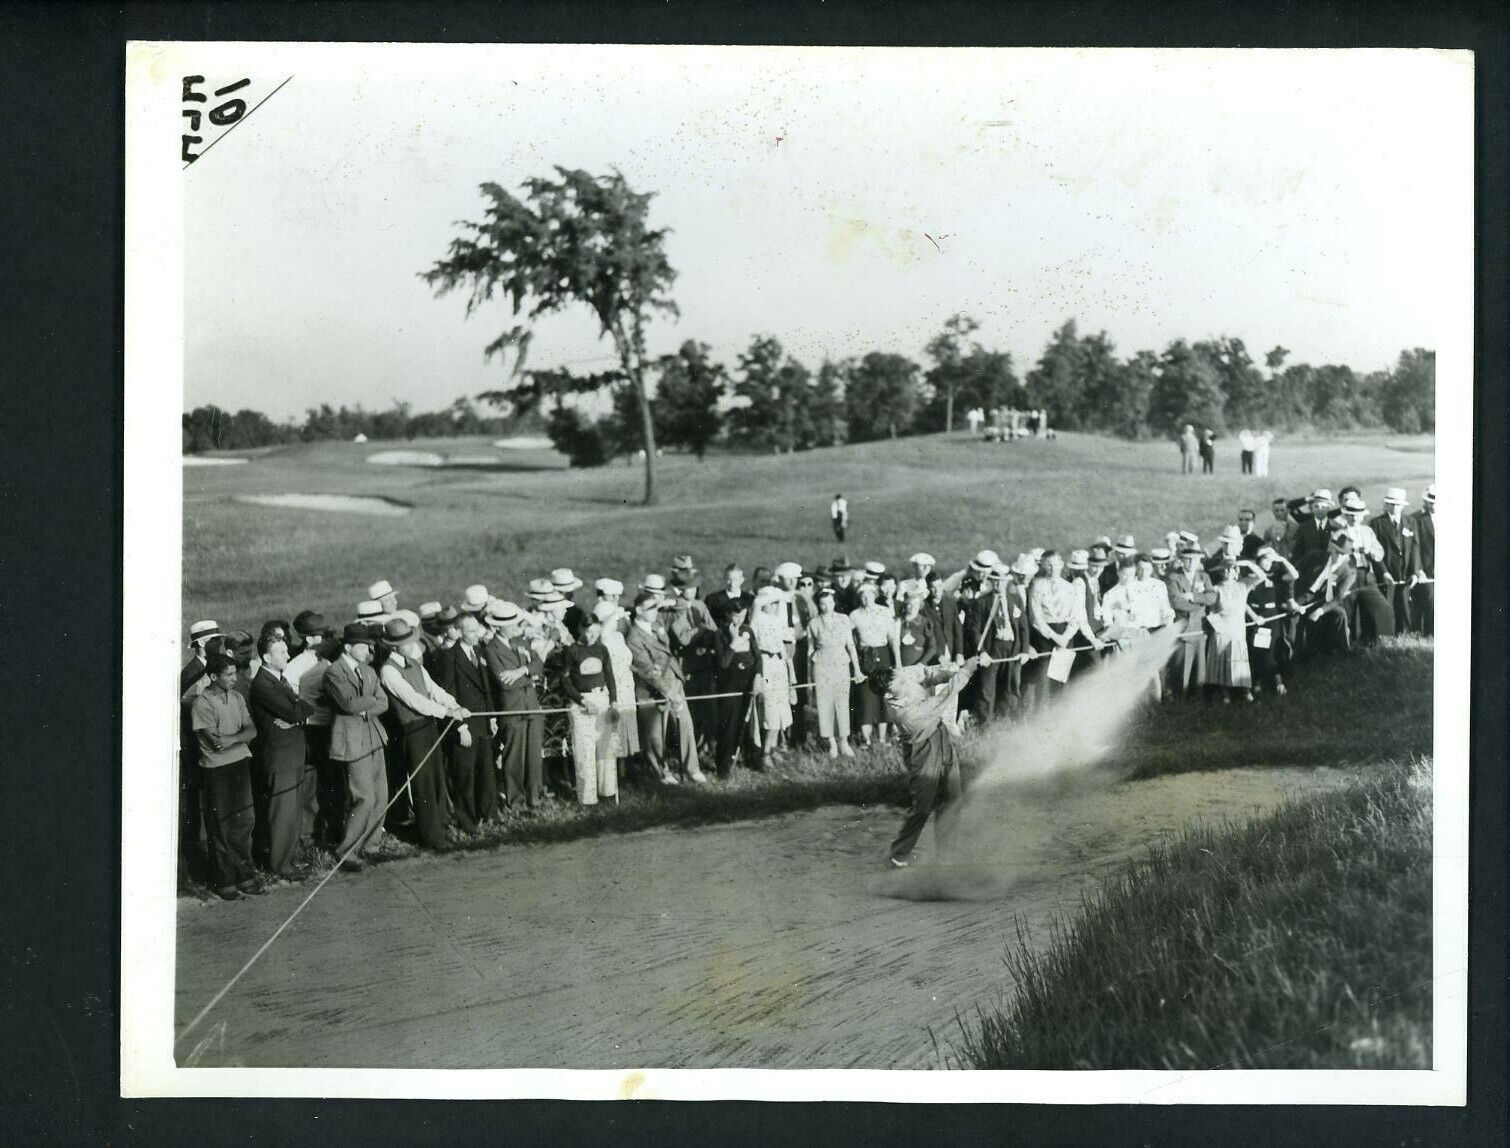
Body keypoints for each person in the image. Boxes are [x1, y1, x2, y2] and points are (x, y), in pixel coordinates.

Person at [878, 653, 990, 869]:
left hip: (941, 737)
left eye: (898, 675)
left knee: (953, 797)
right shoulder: (905, 714)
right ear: (889, 693)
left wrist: (952, 671)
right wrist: (967, 671)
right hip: (922, 749)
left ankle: (946, 859)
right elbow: (943, 698)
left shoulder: (899, 675)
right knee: (923, 806)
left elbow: (928, 674)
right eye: (898, 682)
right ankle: (897, 855)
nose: (903, 679)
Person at [378, 617, 468, 849]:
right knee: (423, 782)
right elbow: (414, 700)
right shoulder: (388, 670)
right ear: (395, 646)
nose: (413, 645)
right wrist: (447, 712)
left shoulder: (415, 664)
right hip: (412, 731)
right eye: (407, 642)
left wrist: (454, 705)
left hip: (429, 726)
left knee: (436, 775)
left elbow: (433, 690)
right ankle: (431, 836)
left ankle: (442, 824)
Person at [191, 652, 265, 900]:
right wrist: (238, 738)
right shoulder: (202, 703)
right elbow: (215, 745)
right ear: (213, 676)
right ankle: (224, 880)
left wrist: (231, 738)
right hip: (216, 770)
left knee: (244, 821)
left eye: (235, 673)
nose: (235, 678)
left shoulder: (237, 697)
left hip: (240, 764)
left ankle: (245, 875)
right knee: (221, 825)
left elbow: (252, 730)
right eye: (229, 675)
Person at [324, 622, 391, 872]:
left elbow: (383, 702)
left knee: (380, 795)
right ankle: (347, 851)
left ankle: (371, 846)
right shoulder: (334, 672)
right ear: (349, 646)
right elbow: (348, 704)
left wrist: (366, 707)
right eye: (363, 647)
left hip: (374, 737)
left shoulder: (368, 670)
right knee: (364, 797)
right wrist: (368, 705)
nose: (367, 651)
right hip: (352, 743)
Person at [249, 630, 315, 879]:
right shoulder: (263, 685)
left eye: (287, 650)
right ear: (266, 657)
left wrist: (296, 713)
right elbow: (297, 712)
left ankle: (289, 857)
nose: (288, 654)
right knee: (283, 812)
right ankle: (280, 864)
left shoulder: (279, 679)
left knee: (293, 809)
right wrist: (297, 713)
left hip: (292, 754)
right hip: (280, 757)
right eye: (281, 652)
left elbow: (304, 708)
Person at [626, 590, 708, 785]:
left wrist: (662, 602)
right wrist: (668, 692)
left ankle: (692, 768)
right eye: (651, 608)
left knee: (685, 725)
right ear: (638, 610)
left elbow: (680, 609)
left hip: (674, 680)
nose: (656, 611)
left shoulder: (657, 622)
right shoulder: (634, 638)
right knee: (655, 734)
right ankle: (662, 772)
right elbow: (647, 670)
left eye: (656, 608)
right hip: (652, 690)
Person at [430, 609, 496, 834]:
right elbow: (448, 694)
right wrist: (461, 728)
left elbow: (486, 688)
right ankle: (467, 820)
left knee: (486, 771)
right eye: (471, 631)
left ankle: (488, 815)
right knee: (465, 775)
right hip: (465, 726)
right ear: (458, 632)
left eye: (477, 629)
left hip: (482, 721)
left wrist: (492, 716)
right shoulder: (449, 658)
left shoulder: (479, 651)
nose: (477, 634)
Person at [484, 598, 546, 814]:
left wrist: (522, 671)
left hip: (531, 706)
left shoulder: (521, 641)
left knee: (534, 756)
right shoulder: (491, 649)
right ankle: (516, 801)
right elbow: (503, 683)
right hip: (512, 709)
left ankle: (535, 797)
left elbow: (539, 664)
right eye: (510, 624)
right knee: (514, 758)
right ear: (499, 626)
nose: (515, 627)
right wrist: (531, 675)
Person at [559, 615, 620, 806]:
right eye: (589, 632)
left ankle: (608, 793)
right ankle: (587, 798)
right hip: (582, 703)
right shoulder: (572, 650)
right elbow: (565, 681)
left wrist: (614, 702)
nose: (593, 636)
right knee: (585, 751)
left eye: (596, 632)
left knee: (606, 748)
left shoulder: (602, 649)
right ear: (580, 629)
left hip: (602, 700)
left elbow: (609, 675)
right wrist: (582, 700)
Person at [807, 586, 861, 758]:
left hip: (841, 664)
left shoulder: (844, 619)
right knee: (825, 704)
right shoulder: (813, 624)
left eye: (829, 603)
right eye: (823, 604)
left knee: (842, 702)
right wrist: (809, 677)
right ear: (819, 605)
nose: (826, 607)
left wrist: (857, 669)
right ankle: (831, 743)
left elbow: (851, 646)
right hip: (822, 666)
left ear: (834, 602)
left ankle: (844, 742)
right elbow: (810, 650)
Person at [1337, 490, 1394, 646]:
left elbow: (1379, 552)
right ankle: (1348, 643)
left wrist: (1370, 552)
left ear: (1363, 516)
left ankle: (1370, 640)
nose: (1354, 517)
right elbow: (1335, 556)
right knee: (1349, 608)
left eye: (1357, 514)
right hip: (1348, 574)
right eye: (1350, 514)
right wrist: (1350, 551)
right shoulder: (1339, 532)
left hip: (1366, 573)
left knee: (1373, 607)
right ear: (1345, 516)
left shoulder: (1367, 531)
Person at [713, 602, 764, 775]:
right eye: (736, 616)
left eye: (743, 615)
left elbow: (758, 657)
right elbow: (723, 663)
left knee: (750, 722)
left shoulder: (748, 630)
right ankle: (723, 766)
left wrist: (758, 675)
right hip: (730, 684)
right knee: (729, 724)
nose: (740, 620)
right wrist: (734, 642)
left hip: (749, 682)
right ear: (728, 614)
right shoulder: (720, 634)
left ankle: (754, 760)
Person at [962, 563, 1015, 724]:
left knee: (1009, 685)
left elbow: (1022, 626)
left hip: (1011, 647)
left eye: (1003, 581)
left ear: (1007, 582)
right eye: (996, 581)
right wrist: (982, 651)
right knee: (986, 689)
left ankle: (1005, 723)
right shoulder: (982, 602)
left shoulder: (1014, 599)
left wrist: (1023, 648)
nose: (999, 584)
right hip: (991, 648)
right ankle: (984, 726)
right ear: (991, 581)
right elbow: (974, 630)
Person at [849, 580, 900, 745]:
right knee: (866, 697)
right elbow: (852, 641)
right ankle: (866, 740)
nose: (866, 599)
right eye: (862, 596)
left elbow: (893, 638)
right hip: (865, 657)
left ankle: (883, 738)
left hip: (883, 654)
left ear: (874, 596)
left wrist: (897, 661)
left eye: (869, 595)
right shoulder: (854, 615)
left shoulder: (885, 612)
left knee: (883, 696)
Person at [1206, 558, 1263, 703]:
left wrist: (1248, 563)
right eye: (1224, 569)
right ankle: (1225, 695)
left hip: (1237, 627)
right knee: (1222, 658)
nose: (1227, 572)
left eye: (1231, 569)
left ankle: (1245, 691)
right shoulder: (1216, 588)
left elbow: (1262, 576)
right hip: (1222, 628)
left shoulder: (1243, 585)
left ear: (1236, 571)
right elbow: (1211, 610)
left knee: (1239, 659)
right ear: (1221, 572)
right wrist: (1217, 625)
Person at [1165, 543, 1218, 697]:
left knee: (1200, 667)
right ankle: (1180, 697)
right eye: (1187, 559)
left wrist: (1193, 597)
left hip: (1200, 628)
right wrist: (1199, 606)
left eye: (1194, 559)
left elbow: (1212, 597)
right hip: (1183, 629)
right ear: (1181, 559)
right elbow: (1175, 601)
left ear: (1199, 560)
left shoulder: (1204, 576)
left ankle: (1197, 698)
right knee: (1183, 666)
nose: (1191, 563)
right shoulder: (1174, 578)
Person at [592, 600, 642, 762]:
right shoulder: (602, 638)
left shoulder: (619, 636)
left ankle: (623, 770)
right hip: (614, 685)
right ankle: (612, 768)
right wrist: (614, 613)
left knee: (625, 725)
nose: (618, 621)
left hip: (626, 684)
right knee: (613, 727)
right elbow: (604, 630)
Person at [1248, 545, 1300, 696]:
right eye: (1264, 559)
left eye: (1269, 559)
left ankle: (1277, 682)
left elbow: (1294, 575)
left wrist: (1281, 559)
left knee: (1268, 652)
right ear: (1258, 561)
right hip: (1257, 618)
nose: (1267, 562)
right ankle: (1259, 681)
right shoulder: (1252, 578)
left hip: (1271, 618)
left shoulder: (1276, 576)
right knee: (1258, 650)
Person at [1297, 532, 1358, 655]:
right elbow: (1296, 574)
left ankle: (1341, 652)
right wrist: (1294, 601)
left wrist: (1320, 611)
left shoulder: (1348, 572)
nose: (1337, 556)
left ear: (1347, 556)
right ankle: (1297, 653)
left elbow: (1337, 598)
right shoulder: (1315, 556)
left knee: (1340, 614)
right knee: (1294, 619)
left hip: (1322, 602)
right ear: (1331, 548)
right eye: (1335, 551)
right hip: (1301, 596)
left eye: (1342, 554)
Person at [751, 586, 795, 754]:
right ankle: (765, 751)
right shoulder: (757, 620)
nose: (775, 606)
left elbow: (783, 647)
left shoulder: (777, 621)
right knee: (769, 706)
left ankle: (773, 747)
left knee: (781, 705)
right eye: (772, 603)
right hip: (766, 667)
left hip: (779, 666)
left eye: (777, 603)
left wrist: (790, 672)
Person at [1371, 488, 1419, 635]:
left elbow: (1415, 548)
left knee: (1404, 607)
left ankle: (1404, 636)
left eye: (1397, 505)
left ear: (1403, 506)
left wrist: (1415, 572)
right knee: (1387, 606)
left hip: (1404, 575)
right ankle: (1386, 637)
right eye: (1391, 504)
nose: (1394, 507)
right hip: (1387, 574)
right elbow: (1374, 551)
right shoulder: (1377, 523)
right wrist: (1384, 572)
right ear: (1386, 505)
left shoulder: (1410, 521)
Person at [1410, 485, 1435, 635]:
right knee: (1430, 601)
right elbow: (1415, 547)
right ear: (1425, 502)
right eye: (1431, 501)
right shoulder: (1416, 519)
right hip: (1425, 571)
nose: (1435, 505)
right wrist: (1418, 570)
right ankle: (1429, 635)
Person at [704, 562, 753, 627]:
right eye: (729, 579)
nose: (732, 583)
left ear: (742, 580)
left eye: (735, 580)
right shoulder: (712, 599)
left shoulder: (750, 599)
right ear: (725, 578)